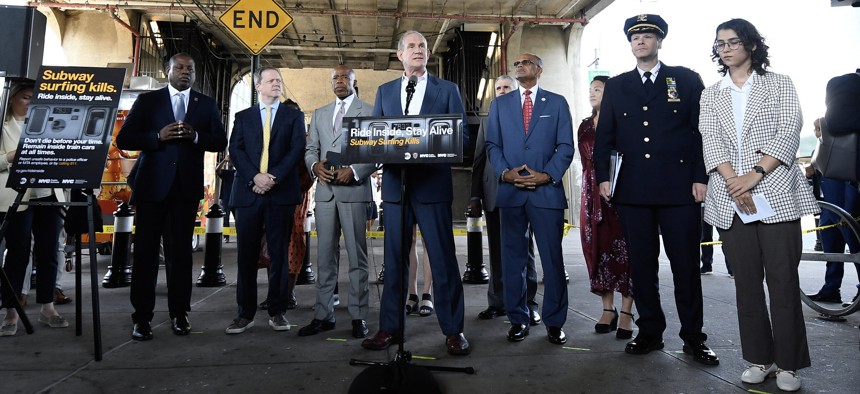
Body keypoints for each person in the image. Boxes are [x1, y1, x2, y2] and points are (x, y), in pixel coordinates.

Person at [699, 18, 819, 391]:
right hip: (730, 194)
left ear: (751, 45)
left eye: (733, 41)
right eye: (720, 43)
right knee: (746, 284)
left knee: (783, 281)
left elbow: (789, 128)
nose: (726, 48)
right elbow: (710, 137)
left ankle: (788, 365)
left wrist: (754, 175)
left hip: (775, 189)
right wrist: (735, 182)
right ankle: (759, 359)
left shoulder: (779, 83)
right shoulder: (711, 93)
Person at [594, 14, 718, 365]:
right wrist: (604, 176)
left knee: (686, 267)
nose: (641, 41)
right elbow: (606, 138)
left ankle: (694, 336)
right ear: (630, 44)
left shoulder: (686, 79)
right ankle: (650, 331)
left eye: (648, 35)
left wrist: (701, 176)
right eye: (635, 37)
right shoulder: (617, 85)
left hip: (679, 190)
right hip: (633, 191)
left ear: (659, 41)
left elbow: (701, 133)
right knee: (643, 267)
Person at [361, 30, 470, 356]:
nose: (418, 50)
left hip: (432, 187)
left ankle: (453, 331)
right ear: (400, 55)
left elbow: (461, 141)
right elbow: (375, 139)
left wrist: (427, 146)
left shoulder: (448, 90)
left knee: (443, 259)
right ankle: (389, 328)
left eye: (422, 46)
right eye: (411, 46)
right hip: (396, 187)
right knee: (394, 262)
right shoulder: (385, 92)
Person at [117, 53, 227, 341]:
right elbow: (124, 139)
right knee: (145, 256)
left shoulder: (205, 104)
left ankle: (180, 314)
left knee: (181, 257)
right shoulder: (148, 102)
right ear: (168, 71)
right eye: (178, 68)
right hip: (152, 189)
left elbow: (219, 140)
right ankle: (142, 318)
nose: (184, 72)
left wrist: (197, 137)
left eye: (190, 68)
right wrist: (156, 137)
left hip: (184, 192)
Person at [485, 52, 574, 345]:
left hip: (546, 193)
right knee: (513, 262)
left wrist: (547, 175)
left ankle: (554, 321)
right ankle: (518, 318)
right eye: (517, 64)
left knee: (552, 260)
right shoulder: (499, 105)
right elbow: (492, 145)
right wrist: (505, 173)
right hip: (511, 194)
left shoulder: (557, 103)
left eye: (525, 62)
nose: (519, 66)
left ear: (539, 69)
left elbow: (565, 146)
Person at [225, 67, 306, 334]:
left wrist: (273, 177)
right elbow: (235, 149)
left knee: (279, 255)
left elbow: (296, 149)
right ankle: (244, 314)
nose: (276, 84)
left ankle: (278, 311)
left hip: (280, 192)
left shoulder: (293, 117)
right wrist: (255, 178)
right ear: (258, 86)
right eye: (271, 80)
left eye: (279, 81)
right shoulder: (243, 117)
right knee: (246, 256)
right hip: (248, 193)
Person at [299, 65, 374, 339]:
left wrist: (354, 171)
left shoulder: (369, 111)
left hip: (354, 191)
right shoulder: (319, 114)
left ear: (354, 82)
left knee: (357, 257)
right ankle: (323, 315)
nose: (339, 81)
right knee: (324, 259)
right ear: (330, 83)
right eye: (335, 78)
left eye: (345, 77)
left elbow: (376, 151)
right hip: (326, 193)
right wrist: (314, 166)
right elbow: (310, 149)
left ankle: (358, 316)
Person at [469, 75, 541, 326]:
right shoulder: (488, 121)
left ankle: (528, 302)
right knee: (497, 251)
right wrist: (475, 195)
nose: (501, 91)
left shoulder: (527, 119)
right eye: (498, 88)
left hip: (522, 194)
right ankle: (497, 302)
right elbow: (478, 161)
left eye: (506, 87)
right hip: (493, 196)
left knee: (524, 251)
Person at [0, 82, 69, 336]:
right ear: (12, 99)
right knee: (17, 252)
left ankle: (48, 307)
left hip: (48, 193)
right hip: (14, 196)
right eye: (26, 97)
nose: (31, 102)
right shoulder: (3, 125)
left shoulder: (49, 123)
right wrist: (9, 157)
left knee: (49, 249)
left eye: (35, 98)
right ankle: (10, 311)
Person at [577, 75, 634, 339]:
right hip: (592, 193)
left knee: (626, 252)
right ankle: (607, 308)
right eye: (590, 89)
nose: (592, 93)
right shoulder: (585, 126)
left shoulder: (626, 122)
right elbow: (586, 162)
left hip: (622, 191)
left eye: (597, 89)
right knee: (597, 249)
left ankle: (626, 311)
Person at [807, 117, 860, 304]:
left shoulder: (848, 148)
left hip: (845, 211)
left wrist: (849, 212)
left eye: (819, 128)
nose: (817, 132)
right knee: (831, 253)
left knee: (856, 253)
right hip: (827, 210)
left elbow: (852, 183)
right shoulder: (818, 150)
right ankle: (831, 289)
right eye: (815, 129)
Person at [215, 153, 236, 240]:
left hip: (235, 199)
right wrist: (224, 160)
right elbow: (217, 170)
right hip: (226, 199)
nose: (230, 163)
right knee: (225, 220)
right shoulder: (226, 173)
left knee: (238, 219)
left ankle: (240, 237)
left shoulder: (237, 173)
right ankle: (226, 237)